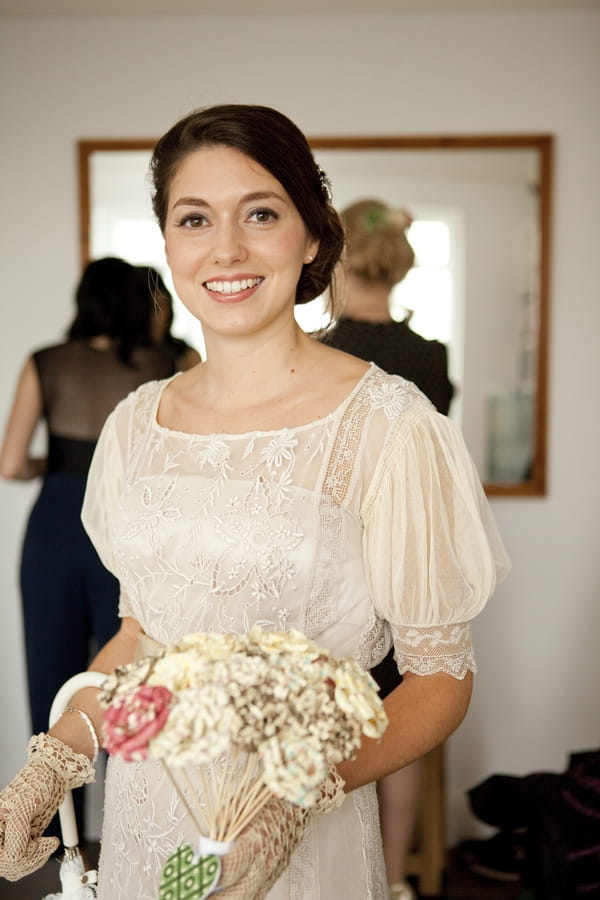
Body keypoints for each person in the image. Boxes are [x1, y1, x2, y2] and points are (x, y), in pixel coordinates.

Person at [0, 104, 510, 900]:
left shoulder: (392, 425)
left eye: (261, 214)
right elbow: (141, 642)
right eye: (194, 218)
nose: (226, 249)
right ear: (168, 244)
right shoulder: (136, 425)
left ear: (311, 236)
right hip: (150, 824)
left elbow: (440, 679)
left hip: (307, 836)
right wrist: (54, 761)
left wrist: (302, 792)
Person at [0, 256, 178, 837]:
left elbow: (9, 463)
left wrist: (54, 466)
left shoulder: (46, 363)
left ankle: (50, 836)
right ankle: (137, 831)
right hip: (130, 533)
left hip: (54, 528)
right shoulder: (170, 364)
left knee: (53, 678)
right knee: (131, 681)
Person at [322, 197, 456, 899]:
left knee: (328, 719)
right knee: (405, 725)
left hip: (333, 560)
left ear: (337, 258)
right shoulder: (428, 357)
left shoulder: (317, 354)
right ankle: (394, 878)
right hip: (412, 560)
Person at [137, 264, 202, 371]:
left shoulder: (186, 356)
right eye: (151, 307)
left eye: (162, 304)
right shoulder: (126, 358)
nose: (159, 316)